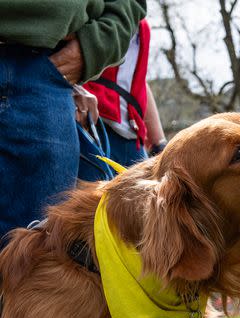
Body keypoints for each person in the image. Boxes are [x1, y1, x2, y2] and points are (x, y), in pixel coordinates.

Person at [0, 0, 146, 245]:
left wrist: (95, 45)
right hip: (49, 77)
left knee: (34, 263)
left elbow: (129, 4)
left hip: (42, 73)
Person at [84, 19, 167, 168]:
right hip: (93, 128)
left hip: (133, 141)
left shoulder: (140, 22)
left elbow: (138, 82)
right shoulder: (91, 8)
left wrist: (159, 144)